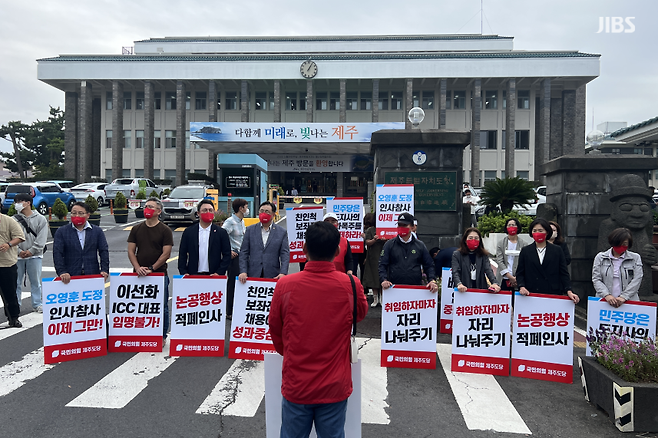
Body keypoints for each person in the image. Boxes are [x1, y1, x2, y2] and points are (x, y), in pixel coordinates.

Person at [269, 221, 368, 438]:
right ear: (338, 250)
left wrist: (292, 353)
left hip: (297, 381)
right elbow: (358, 315)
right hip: (335, 384)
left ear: (304, 249)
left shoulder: (285, 285)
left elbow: (275, 328)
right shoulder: (351, 284)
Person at [127, 197, 174, 340]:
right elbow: (131, 251)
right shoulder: (136, 229)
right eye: (146, 206)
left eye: (150, 207)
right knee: (139, 306)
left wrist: (151, 268)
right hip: (139, 275)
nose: (146, 209)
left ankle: (162, 335)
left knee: (162, 307)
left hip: (159, 274)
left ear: (159, 211)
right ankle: (141, 333)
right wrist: (137, 268)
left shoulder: (165, 230)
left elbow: (166, 253)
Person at [516, 218, 579, 304]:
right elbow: (520, 272)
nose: (537, 233)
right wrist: (521, 286)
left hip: (552, 293)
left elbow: (563, 273)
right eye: (534, 230)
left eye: (540, 230)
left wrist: (569, 290)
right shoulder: (526, 250)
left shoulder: (557, 250)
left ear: (547, 232)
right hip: (530, 293)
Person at [379, 212, 438, 293]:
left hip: (415, 288)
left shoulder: (420, 245)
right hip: (394, 289)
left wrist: (431, 280)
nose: (401, 228)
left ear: (412, 227)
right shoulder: (389, 245)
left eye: (404, 225)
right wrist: (384, 279)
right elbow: (382, 264)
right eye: (399, 225)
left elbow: (429, 265)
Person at [53, 202, 109, 284]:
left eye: (80, 213)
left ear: (88, 215)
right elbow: (57, 253)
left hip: (92, 273)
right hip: (70, 276)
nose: (77, 216)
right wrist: (62, 271)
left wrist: (104, 270)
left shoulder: (97, 231)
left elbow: (103, 251)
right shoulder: (62, 231)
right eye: (74, 213)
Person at [13, 194, 48, 313]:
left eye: (19, 201)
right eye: (15, 202)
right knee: (16, 282)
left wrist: (31, 251)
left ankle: (37, 304)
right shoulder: (13, 219)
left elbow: (41, 238)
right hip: (17, 256)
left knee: (35, 281)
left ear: (28, 203)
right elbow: (10, 237)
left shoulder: (40, 219)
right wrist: (19, 251)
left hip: (35, 256)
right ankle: (15, 305)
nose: (16, 204)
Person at [238, 201, 289, 283]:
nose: (263, 213)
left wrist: (283, 272)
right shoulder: (250, 230)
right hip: (253, 273)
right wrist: (243, 271)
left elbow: (285, 254)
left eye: (267, 212)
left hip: (273, 274)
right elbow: (244, 252)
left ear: (273, 215)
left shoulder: (281, 232)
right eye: (261, 211)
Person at [178, 199, 231, 276]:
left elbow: (227, 255)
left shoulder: (221, 232)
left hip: (213, 275)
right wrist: (183, 272)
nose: (208, 212)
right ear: (198, 213)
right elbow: (182, 254)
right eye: (205, 210)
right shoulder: (189, 232)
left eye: (210, 210)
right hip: (193, 275)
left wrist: (219, 272)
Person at [592, 227, 643, 307]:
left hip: (629, 302)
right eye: (618, 243)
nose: (621, 246)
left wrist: (624, 297)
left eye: (625, 244)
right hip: (604, 301)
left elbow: (637, 279)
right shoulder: (600, 257)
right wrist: (606, 295)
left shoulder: (635, 258)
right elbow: (596, 279)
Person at [452, 227, 500, 293]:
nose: (473, 240)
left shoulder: (483, 255)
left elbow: (488, 270)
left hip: (480, 288)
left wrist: (495, 283)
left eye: (476, 238)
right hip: (463, 290)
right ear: (465, 240)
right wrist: (459, 284)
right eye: (470, 238)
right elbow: (455, 272)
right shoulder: (457, 254)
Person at [222, 198, 248, 318]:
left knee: (241, 283)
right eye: (246, 207)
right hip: (234, 257)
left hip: (242, 255)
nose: (247, 209)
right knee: (232, 283)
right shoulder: (230, 221)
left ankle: (238, 307)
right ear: (240, 208)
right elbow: (221, 237)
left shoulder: (241, 221)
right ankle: (229, 311)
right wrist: (228, 251)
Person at [0, 211, 25, 327]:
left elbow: (20, 237)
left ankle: (13, 318)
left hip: (7, 264)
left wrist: (8, 244)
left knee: (10, 292)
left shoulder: (8, 220)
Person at [495, 218, 528, 290]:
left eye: (513, 225)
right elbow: (500, 261)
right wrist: (510, 277)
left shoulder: (524, 244)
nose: (511, 227)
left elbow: (524, 262)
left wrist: (516, 278)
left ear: (518, 227)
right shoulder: (501, 243)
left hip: (518, 279)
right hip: (503, 278)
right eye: (509, 225)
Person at [362, 213, 385, 307]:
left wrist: (385, 240)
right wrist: (374, 240)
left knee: (383, 278)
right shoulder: (370, 230)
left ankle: (382, 299)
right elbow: (367, 242)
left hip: (384, 256)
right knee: (373, 277)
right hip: (373, 257)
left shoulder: (387, 230)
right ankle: (375, 299)